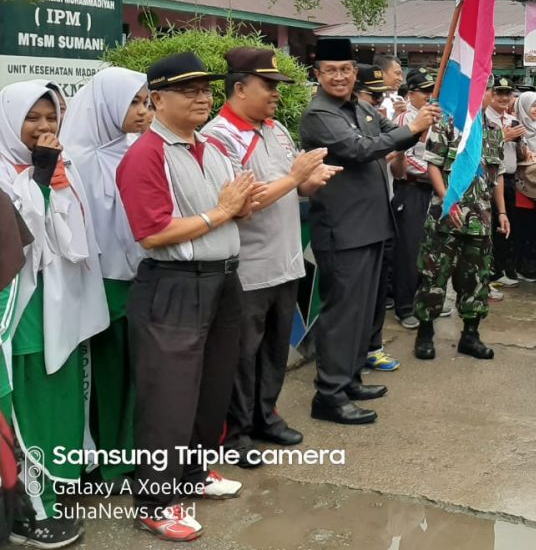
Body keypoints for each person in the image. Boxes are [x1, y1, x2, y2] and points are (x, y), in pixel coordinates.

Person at [116, 53, 262, 541]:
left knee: (211, 386)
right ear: (157, 99)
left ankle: (194, 475)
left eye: (205, 89)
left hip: (222, 279)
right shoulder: (145, 154)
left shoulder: (209, 148)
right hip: (174, 285)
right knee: (168, 397)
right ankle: (155, 501)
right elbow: (153, 232)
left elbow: (234, 207)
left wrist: (235, 208)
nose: (202, 97)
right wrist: (222, 212)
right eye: (188, 90)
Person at [201, 49, 339, 468]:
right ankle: (236, 432)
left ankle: (267, 415)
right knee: (241, 357)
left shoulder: (276, 130)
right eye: (269, 86)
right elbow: (242, 202)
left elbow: (287, 188)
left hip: (284, 261)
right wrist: (295, 178)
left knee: (275, 350)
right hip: (248, 267)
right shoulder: (218, 137)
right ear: (239, 88)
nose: (277, 94)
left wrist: (309, 183)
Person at [299, 38, 438, 426]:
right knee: (343, 313)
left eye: (346, 70)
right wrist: (411, 127)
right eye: (331, 71)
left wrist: (419, 123)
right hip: (343, 229)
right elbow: (361, 149)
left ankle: (350, 378)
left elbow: (392, 133)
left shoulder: (359, 106)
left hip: (372, 225)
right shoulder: (319, 115)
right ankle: (329, 393)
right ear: (318, 75)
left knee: (363, 314)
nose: (340, 77)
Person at [1, 81, 109, 548]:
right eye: (32, 118)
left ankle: (55, 485)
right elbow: (25, 242)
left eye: (51, 118)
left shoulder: (62, 166)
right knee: (27, 406)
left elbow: (76, 240)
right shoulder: (5, 172)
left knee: (62, 401)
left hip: (63, 303)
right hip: (22, 309)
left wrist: (51, 176)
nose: (44, 128)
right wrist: (40, 179)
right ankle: (28, 508)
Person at [60, 68, 149, 486]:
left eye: (146, 102)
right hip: (97, 281)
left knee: (133, 372)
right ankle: (106, 462)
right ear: (105, 106)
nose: (142, 111)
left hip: (136, 276)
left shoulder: (134, 150)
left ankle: (129, 453)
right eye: (134, 102)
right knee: (106, 374)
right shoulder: (76, 160)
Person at [412, 105, 507, 361]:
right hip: (446, 218)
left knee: (477, 280)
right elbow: (433, 165)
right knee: (434, 277)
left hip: (480, 219)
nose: (487, 93)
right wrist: (447, 198)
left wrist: (502, 213)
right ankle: (424, 335)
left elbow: (497, 177)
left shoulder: (495, 132)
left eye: (489, 86)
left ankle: (470, 336)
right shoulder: (446, 124)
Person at [352, 63, 403, 372]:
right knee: (356, 297)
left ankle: (373, 346)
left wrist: (396, 154)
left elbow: (399, 169)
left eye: (379, 97)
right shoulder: (347, 127)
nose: (377, 103)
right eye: (372, 97)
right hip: (358, 223)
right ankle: (354, 354)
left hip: (385, 213)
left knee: (377, 291)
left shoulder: (378, 123)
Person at [389, 69, 438, 329]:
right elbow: (403, 158)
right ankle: (404, 306)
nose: (430, 96)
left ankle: (424, 301)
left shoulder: (436, 118)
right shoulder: (404, 120)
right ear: (411, 94)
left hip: (432, 190)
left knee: (429, 249)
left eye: (433, 91)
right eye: (425, 92)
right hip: (410, 188)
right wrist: (432, 172)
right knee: (409, 250)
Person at [484, 77, 526, 289]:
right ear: (491, 94)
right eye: (499, 93)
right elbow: (482, 147)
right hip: (488, 179)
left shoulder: (513, 120)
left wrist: (519, 142)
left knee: (508, 224)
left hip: (510, 178)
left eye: (507, 94)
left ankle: (503, 266)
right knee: (491, 225)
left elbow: (522, 154)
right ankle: (492, 269)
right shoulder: (483, 119)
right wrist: (503, 137)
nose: (503, 97)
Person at [512, 91, 536, 281]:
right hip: (522, 185)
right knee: (525, 226)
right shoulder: (516, 127)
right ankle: (523, 266)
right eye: (533, 106)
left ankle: (535, 263)